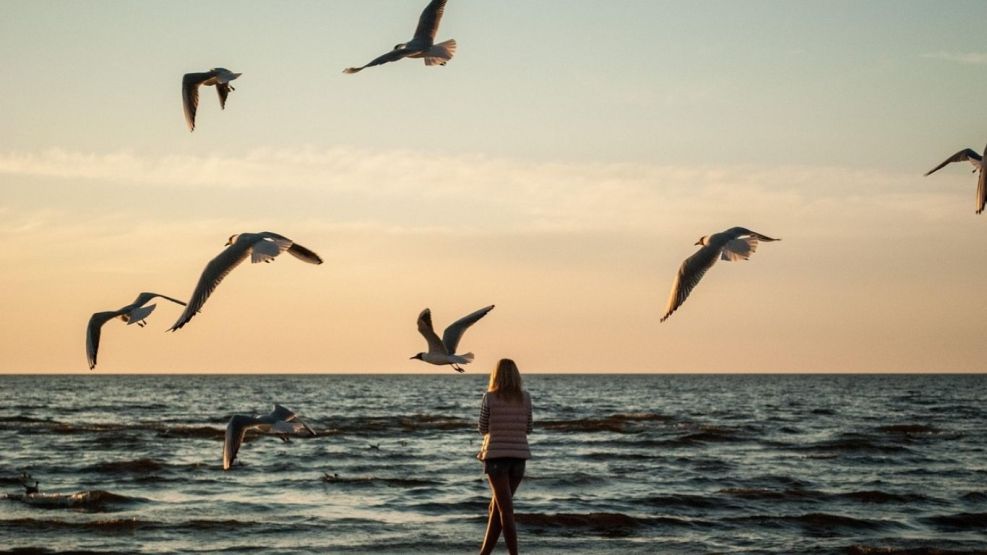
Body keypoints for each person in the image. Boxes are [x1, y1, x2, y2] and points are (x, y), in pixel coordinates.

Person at [477, 359, 533, 555]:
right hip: (518, 458)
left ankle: (514, 554)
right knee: (498, 506)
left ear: (496, 375)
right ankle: (484, 553)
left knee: (505, 510)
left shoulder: (489, 397)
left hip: (496, 459)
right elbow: (529, 428)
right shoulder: (525, 398)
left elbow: (482, 428)